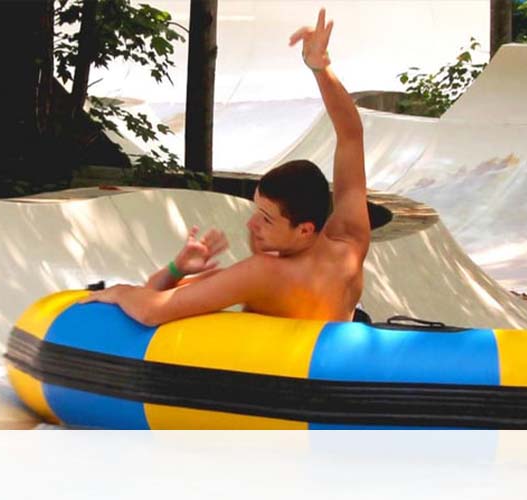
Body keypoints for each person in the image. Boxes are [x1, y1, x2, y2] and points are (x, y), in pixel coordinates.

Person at [82, 9, 370, 325]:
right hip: (328, 365)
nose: (251, 225)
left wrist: (120, 291)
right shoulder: (350, 242)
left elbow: (151, 311)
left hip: (272, 373)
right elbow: (351, 135)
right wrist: (321, 68)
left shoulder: (264, 274)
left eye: (266, 218)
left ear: (304, 230)